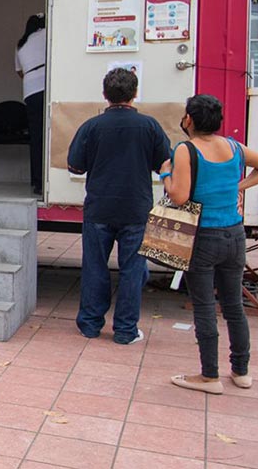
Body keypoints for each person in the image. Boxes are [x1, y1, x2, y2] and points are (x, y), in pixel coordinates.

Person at [165, 95, 258, 394]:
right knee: (233, 307)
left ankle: (209, 376)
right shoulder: (233, 147)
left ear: (189, 119)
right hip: (234, 235)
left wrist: (166, 174)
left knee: (204, 307)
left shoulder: (185, 150)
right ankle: (241, 372)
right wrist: (238, 185)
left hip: (203, 237)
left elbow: (178, 197)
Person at [68, 68, 169, 345]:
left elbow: (75, 166)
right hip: (136, 209)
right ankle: (125, 330)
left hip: (99, 207)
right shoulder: (150, 126)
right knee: (132, 270)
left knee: (94, 267)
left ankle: (89, 325)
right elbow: (165, 163)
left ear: (105, 94)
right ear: (135, 94)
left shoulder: (91, 126)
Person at [15, 14, 47, 194]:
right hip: (44, 85)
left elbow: (19, 71)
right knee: (46, 135)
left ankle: (36, 181)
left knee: (35, 136)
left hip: (29, 89)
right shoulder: (46, 35)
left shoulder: (21, 43)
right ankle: (46, 182)